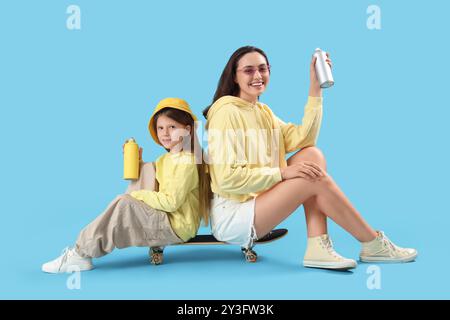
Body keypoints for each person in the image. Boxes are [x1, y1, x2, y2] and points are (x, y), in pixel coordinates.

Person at [203, 46, 417, 270]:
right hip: (234, 215)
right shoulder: (226, 113)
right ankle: (372, 242)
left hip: (256, 200)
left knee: (311, 156)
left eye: (263, 69)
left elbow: (304, 139)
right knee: (309, 177)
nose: (258, 76)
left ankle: (318, 246)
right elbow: (227, 178)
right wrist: (283, 173)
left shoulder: (261, 111)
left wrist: (316, 89)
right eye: (248, 70)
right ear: (234, 76)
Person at [42, 98, 210, 273]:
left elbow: (171, 202)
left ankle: (80, 253)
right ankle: (81, 251)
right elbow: (152, 180)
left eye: (172, 127)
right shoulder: (165, 160)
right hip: (167, 220)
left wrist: (135, 197)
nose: (165, 133)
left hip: (176, 227)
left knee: (123, 203)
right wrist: (137, 162)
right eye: (160, 128)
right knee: (140, 178)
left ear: (187, 129)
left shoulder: (186, 162)